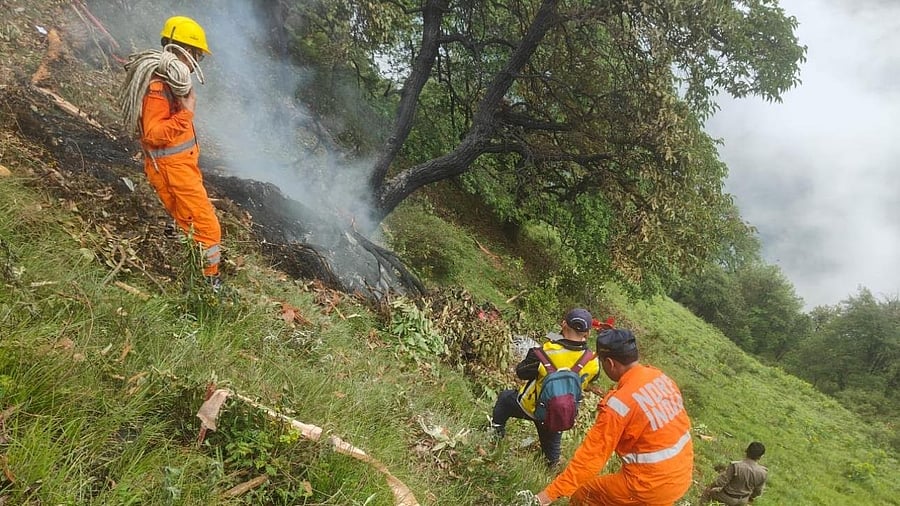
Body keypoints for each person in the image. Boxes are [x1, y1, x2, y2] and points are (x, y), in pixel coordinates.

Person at [534, 328, 694, 506]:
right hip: (682, 476)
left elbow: (590, 459)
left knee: (585, 494)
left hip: (649, 486)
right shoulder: (661, 378)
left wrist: (548, 495)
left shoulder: (619, 406)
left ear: (610, 363)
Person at [120, 16, 222, 288]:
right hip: (172, 171)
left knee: (189, 224)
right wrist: (186, 113)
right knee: (207, 228)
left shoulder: (170, 84)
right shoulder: (158, 87)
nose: (197, 61)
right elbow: (153, 135)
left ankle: (193, 274)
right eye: (198, 55)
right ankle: (208, 284)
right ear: (185, 50)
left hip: (180, 168)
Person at [491, 308, 602, 468]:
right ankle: (551, 465)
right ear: (588, 333)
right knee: (551, 456)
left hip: (529, 407)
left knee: (504, 399)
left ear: (563, 324)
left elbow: (521, 373)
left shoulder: (544, 351)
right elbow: (590, 379)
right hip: (558, 415)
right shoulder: (593, 361)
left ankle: (495, 435)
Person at [699, 442, 768, 505]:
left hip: (727, 496)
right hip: (743, 500)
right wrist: (750, 497)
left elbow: (720, 482)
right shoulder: (763, 472)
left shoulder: (735, 466)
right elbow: (758, 491)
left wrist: (710, 487)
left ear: (746, 451)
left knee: (708, 492)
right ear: (761, 456)